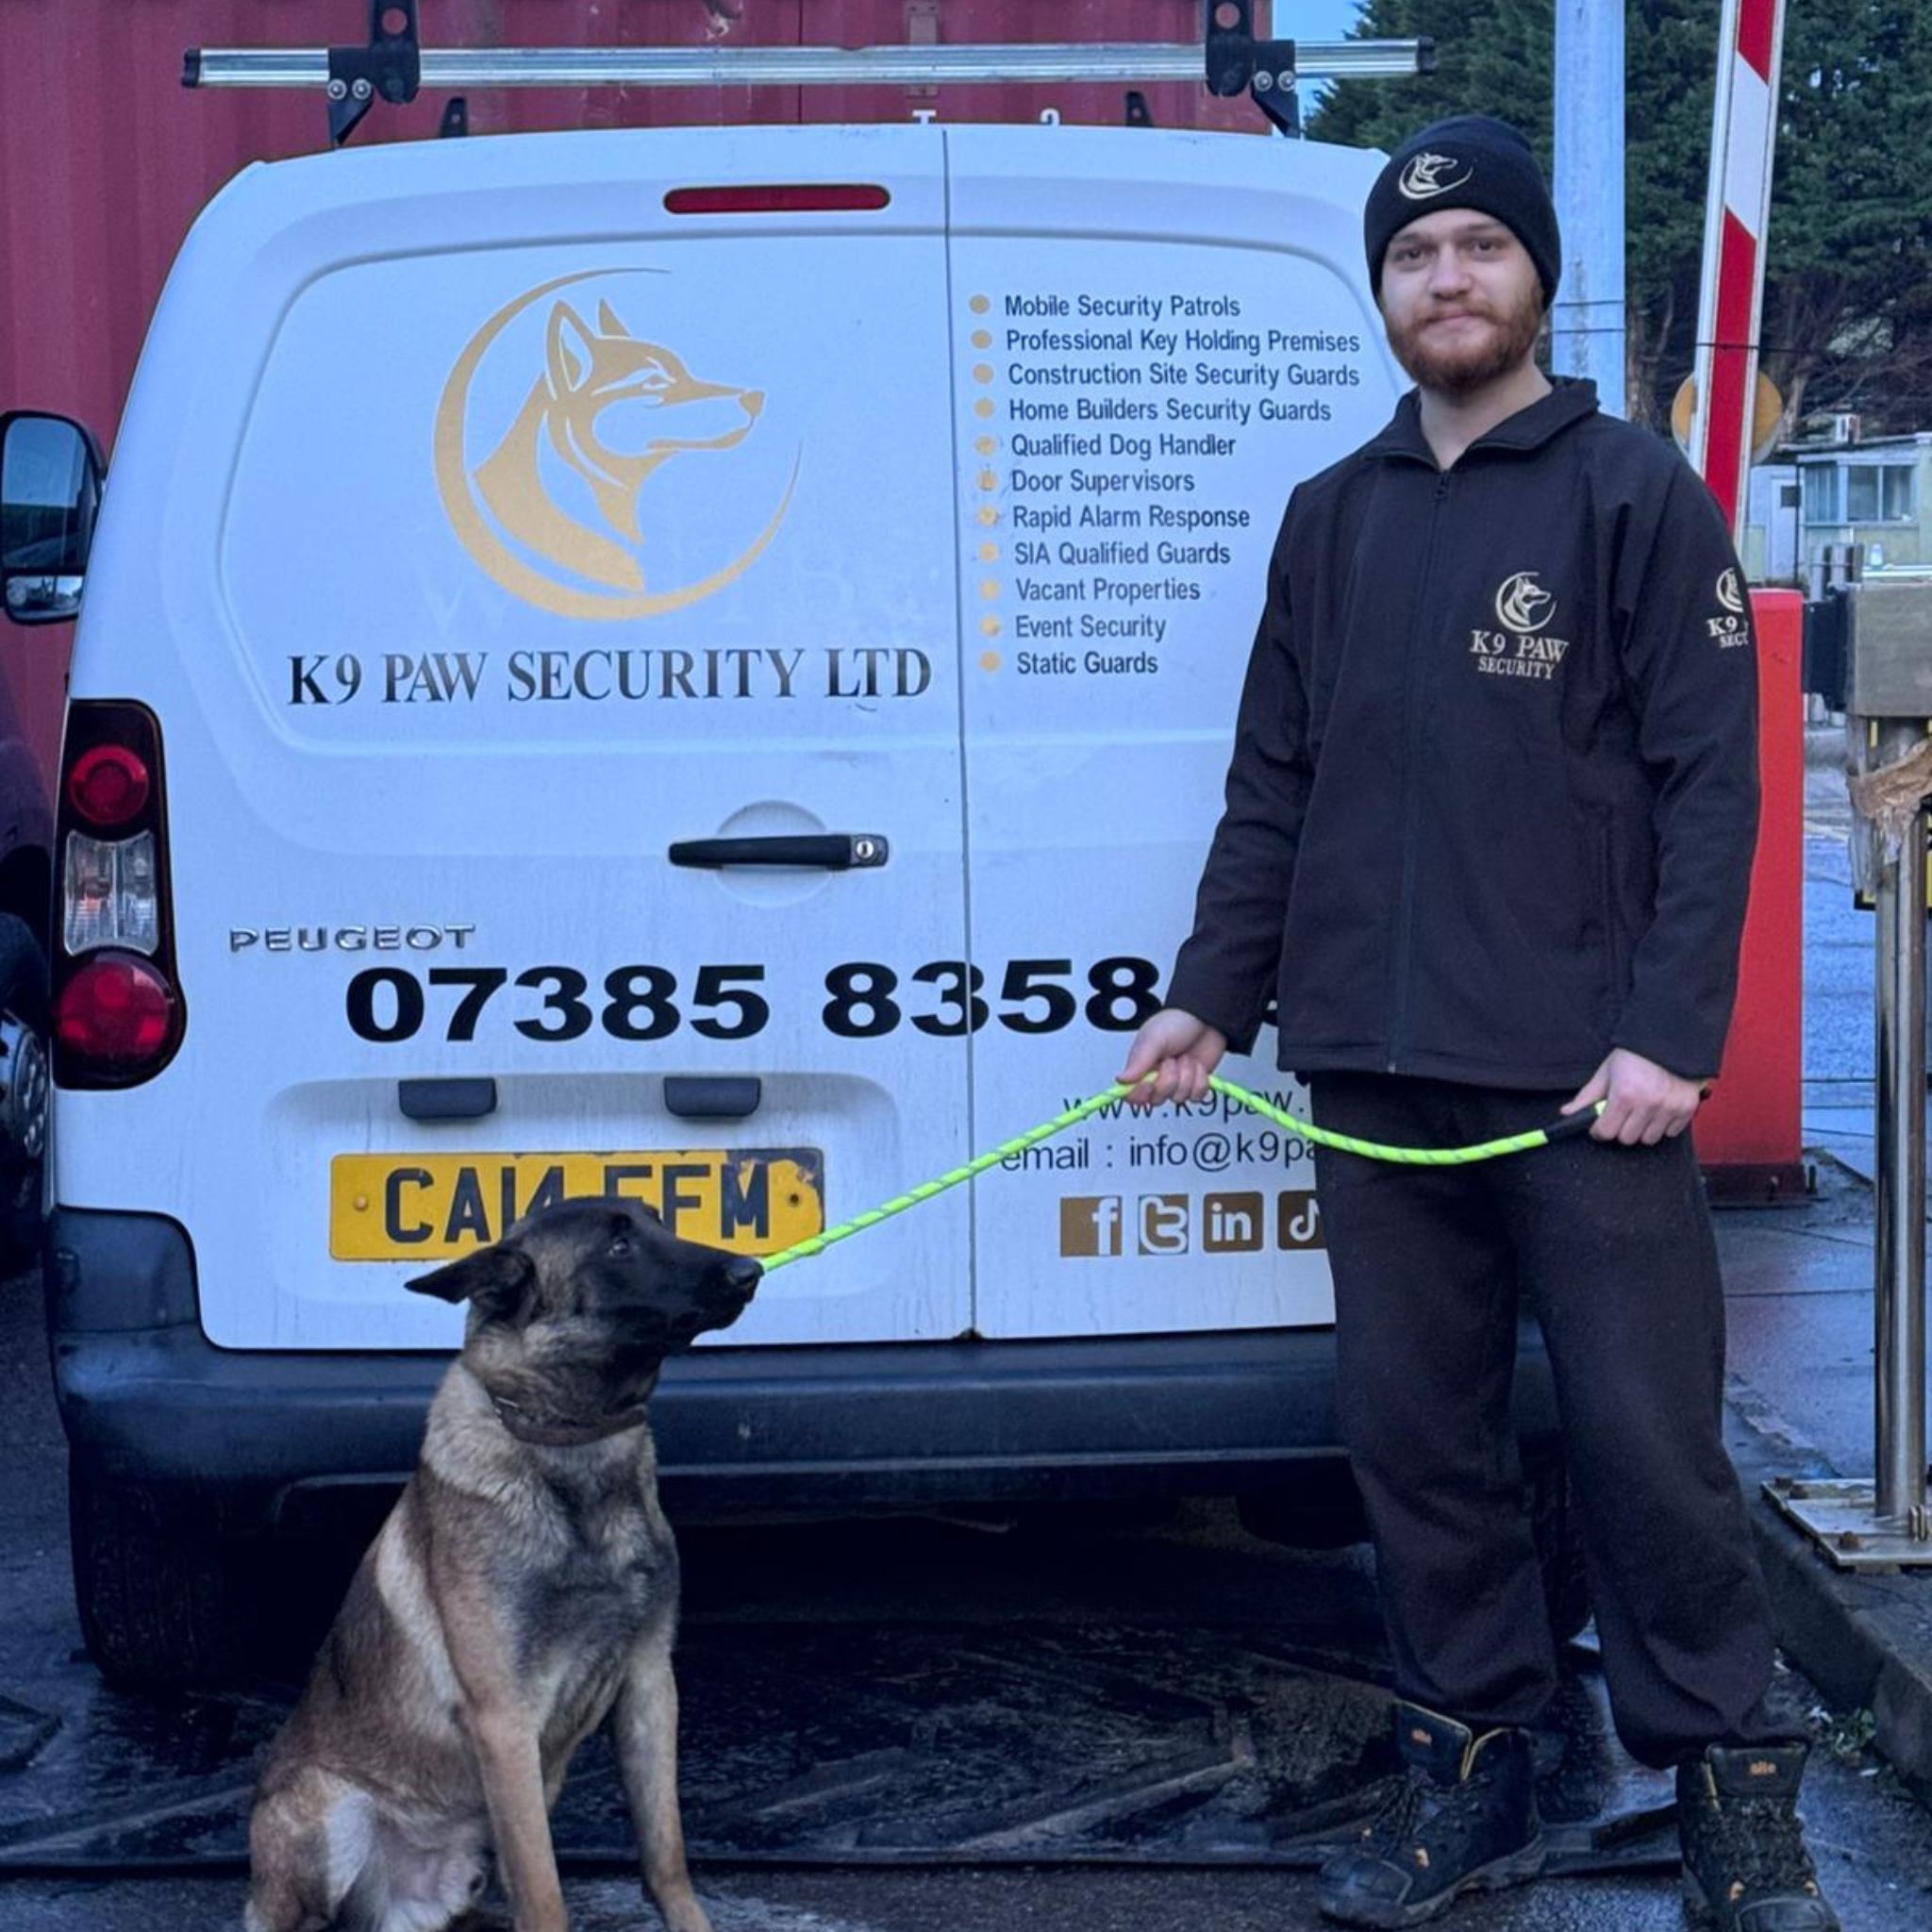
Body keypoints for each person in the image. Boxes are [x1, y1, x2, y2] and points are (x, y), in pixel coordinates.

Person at [1118, 116, 1839, 1932]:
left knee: (1649, 1456)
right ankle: (1474, 1778)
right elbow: (1274, 787)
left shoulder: (1630, 495)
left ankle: (1733, 1799)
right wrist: (1212, 993)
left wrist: (1672, 1037)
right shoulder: (1331, 518)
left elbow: (1713, 791)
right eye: (1414, 255)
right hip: (1371, 1080)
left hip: (1592, 1088)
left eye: (1479, 248)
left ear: (1534, 277)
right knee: (1418, 1452)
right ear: (1382, 291)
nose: (1447, 279)